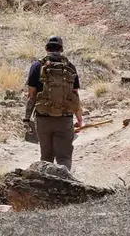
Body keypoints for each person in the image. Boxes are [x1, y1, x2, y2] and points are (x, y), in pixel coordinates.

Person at [23, 35, 84, 169]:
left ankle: (46, 185)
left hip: (43, 118)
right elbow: (75, 96)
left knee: (46, 157)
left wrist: (27, 119)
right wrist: (79, 119)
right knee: (64, 157)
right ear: (61, 49)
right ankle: (65, 184)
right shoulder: (70, 67)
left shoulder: (37, 66)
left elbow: (31, 96)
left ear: (46, 48)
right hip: (64, 118)